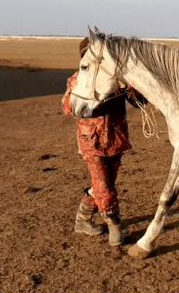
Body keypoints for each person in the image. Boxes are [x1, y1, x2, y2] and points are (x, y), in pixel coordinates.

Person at [61, 37, 146, 246]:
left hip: (116, 139)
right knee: (104, 186)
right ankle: (114, 226)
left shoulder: (116, 80)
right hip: (92, 141)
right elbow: (68, 107)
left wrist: (129, 87)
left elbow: (139, 103)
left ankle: (82, 219)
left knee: (104, 184)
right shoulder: (78, 79)